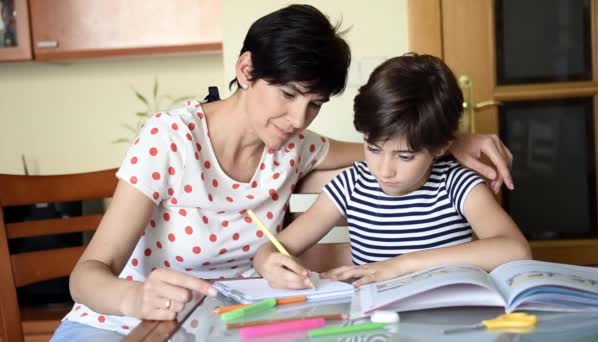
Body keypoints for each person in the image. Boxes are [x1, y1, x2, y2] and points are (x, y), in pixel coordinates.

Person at [51, 5, 514, 340]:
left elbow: (385, 146)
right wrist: (135, 300)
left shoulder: (293, 148)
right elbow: (86, 275)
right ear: (247, 69)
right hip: (120, 328)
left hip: (222, 327)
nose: (298, 118)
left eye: (314, 104)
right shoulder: (170, 139)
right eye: (289, 94)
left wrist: (453, 141)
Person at [253, 53, 531, 290]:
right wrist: (267, 260)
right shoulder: (351, 186)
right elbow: (274, 249)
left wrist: (400, 266)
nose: (384, 170)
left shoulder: (457, 185)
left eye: (405, 156)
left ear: (441, 147)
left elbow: (516, 250)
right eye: (373, 149)